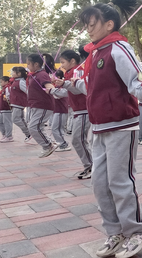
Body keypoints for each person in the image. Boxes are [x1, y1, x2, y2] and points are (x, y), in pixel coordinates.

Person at [69, 0, 142, 258]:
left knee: (120, 181)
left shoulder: (119, 48)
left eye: (92, 24)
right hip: (99, 127)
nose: (88, 30)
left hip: (121, 125)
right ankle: (115, 232)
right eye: (87, 25)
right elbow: (92, 86)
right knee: (99, 182)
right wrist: (73, 84)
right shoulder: (95, 53)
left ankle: (136, 231)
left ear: (109, 24)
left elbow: (136, 80)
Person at [57, 50, 93, 179]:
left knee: (78, 139)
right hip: (78, 111)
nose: (61, 65)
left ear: (72, 61)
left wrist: (65, 84)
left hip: (84, 110)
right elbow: (69, 92)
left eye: (63, 62)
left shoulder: (78, 71)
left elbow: (80, 89)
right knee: (78, 139)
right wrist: (54, 90)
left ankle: (91, 166)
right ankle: (89, 166)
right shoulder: (68, 73)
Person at [26, 54, 56, 158]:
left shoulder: (41, 74)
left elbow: (49, 86)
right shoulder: (34, 75)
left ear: (36, 64)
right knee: (37, 126)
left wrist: (55, 91)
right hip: (36, 105)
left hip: (43, 105)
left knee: (33, 127)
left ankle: (48, 145)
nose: (27, 66)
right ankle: (49, 144)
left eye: (29, 64)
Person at [50, 69, 71, 152]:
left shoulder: (60, 86)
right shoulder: (56, 86)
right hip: (58, 110)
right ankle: (60, 143)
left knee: (55, 128)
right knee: (58, 128)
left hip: (61, 110)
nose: (50, 77)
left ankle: (63, 144)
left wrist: (50, 90)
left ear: (58, 77)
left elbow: (58, 95)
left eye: (52, 75)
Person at [9, 67, 31, 142]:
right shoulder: (15, 81)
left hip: (19, 103)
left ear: (19, 74)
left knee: (16, 119)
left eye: (14, 72)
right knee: (18, 119)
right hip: (15, 103)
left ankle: (29, 133)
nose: (12, 73)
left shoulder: (21, 82)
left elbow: (28, 92)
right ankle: (28, 134)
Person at [0, 76, 14, 143]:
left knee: (7, 122)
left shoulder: (8, 87)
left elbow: (9, 96)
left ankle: (9, 136)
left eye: (1, 82)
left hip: (7, 108)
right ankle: (5, 134)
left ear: (6, 81)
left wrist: (7, 99)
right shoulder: (4, 88)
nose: (0, 83)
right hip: (2, 108)